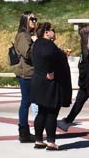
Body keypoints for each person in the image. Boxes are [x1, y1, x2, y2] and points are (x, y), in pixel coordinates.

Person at [30, 22, 72, 150]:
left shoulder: (37, 43)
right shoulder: (47, 44)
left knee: (42, 111)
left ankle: (38, 140)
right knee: (52, 112)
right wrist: (50, 71)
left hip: (39, 81)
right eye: (53, 30)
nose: (55, 32)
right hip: (50, 84)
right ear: (46, 32)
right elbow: (48, 55)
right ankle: (51, 142)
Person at [12, 12, 37, 143]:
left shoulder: (29, 35)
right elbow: (28, 54)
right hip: (26, 74)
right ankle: (24, 133)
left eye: (35, 19)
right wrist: (35, 43)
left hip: (31, 73)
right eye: (31, 19)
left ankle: (29, 132)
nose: (34, 21)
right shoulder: (23, 36)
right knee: (26, 103)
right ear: (24, 21)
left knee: (30, 102)